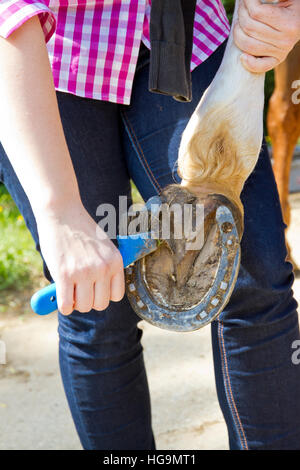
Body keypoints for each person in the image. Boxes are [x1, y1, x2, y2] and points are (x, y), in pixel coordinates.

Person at [0, 0, 300, 450]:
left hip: (182, 32)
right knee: (96, 307)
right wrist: (60, 213)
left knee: (253, 278)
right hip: (44, 56)